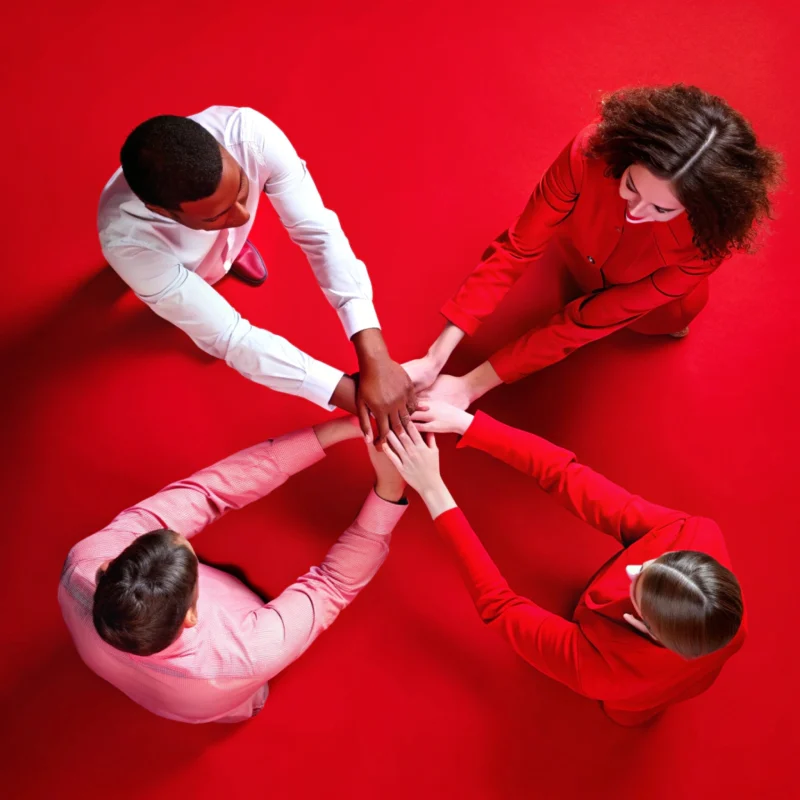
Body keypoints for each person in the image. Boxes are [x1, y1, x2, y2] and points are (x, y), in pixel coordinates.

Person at [403, 84, 783, 409]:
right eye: (631, 186)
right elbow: (517, 248)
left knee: (657, 323)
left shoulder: (707, 244)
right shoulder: (590, 149)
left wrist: (470, 386)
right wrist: (435, 358)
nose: (635, 211)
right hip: (580, 255)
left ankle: (670, 326)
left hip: (652, 305)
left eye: (662, 208)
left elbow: (584, 322)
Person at [384, 404, 745, 726]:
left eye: (638, 586)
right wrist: (466, 424)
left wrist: (433, 490)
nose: (633, 568)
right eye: (654, 561)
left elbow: (500, 607)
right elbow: (566, 476)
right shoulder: (695, 534)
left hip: (632, 694)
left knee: (627, 712)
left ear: (641, 624)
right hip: (688, 657)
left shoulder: (602, 673)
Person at [58, 416, 407, 723]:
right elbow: (331, 584)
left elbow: (207, 494)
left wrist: (339, 428)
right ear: (191, 615)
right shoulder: (247, 654)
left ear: (109, 566)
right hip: (213, 699)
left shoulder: (84, 561)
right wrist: (390, 491)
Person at [98, 106, 415, 443]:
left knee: (230, 236)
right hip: (165, 266)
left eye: (242, 191)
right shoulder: (127, 244)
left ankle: (225, 251)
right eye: (215, 217)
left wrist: (375, 354)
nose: (242, 216)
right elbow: (233, 337)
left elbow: (319, 234)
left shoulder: (250, 134)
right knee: (204, 322)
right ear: (162, 212)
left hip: (190, 242)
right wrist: (354, 396)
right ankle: (203, 276)